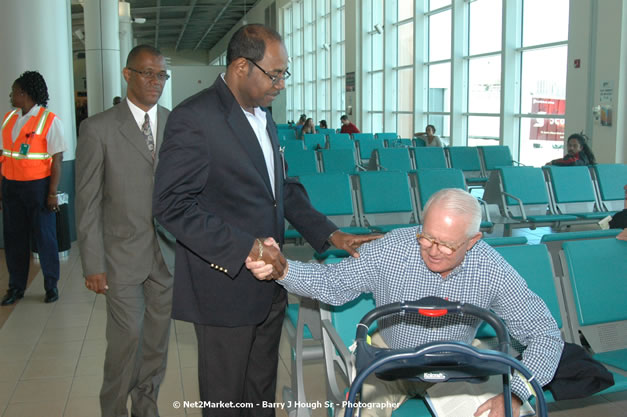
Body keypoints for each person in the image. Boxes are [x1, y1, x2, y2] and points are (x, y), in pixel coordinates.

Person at [153, 24, 380, 417]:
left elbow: (283, 189)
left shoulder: (262, 116)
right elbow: (171, 205)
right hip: (224, 289)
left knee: (259, 395)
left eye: (283, 74)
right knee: (226, 401)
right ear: (242, 66)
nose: (281, 84)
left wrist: (331, 234)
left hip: (270, 285)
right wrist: (246, 247)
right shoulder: (196, 118)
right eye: (274, 74)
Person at [247, 188, 564, 417]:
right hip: (390, 360)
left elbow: (545, 335)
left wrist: (517, 394)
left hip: (455, 365)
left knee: (511, 413)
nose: (433, 250)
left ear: (473, 241)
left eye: (447, 245)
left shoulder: (491, 269)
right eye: (426, 237)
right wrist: (284, 269)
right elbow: (333, 284)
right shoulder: (391, 249)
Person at [75, 45, 175, 417]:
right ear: (127, 74)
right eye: (147, 73)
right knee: (126, 339)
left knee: (155, 342)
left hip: (166, 255)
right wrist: (92, 264)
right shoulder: (98, 129)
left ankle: (145, 407)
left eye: (161, 74)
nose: (155, 81)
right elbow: (87, 203)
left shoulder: (174, 122)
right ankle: (114, 409)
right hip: (119, 257)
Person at [0, 71, 66, 306]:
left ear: (24, 93)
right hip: (11, 187)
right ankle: (16, 287)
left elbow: (57, 159)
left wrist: (52, 193)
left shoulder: (49, 120)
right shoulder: (8, 119)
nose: (10, 95)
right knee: (14, 238)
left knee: (45, 237)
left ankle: (51, 286)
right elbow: (4, 156)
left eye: (13, 91)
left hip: (38, 188)